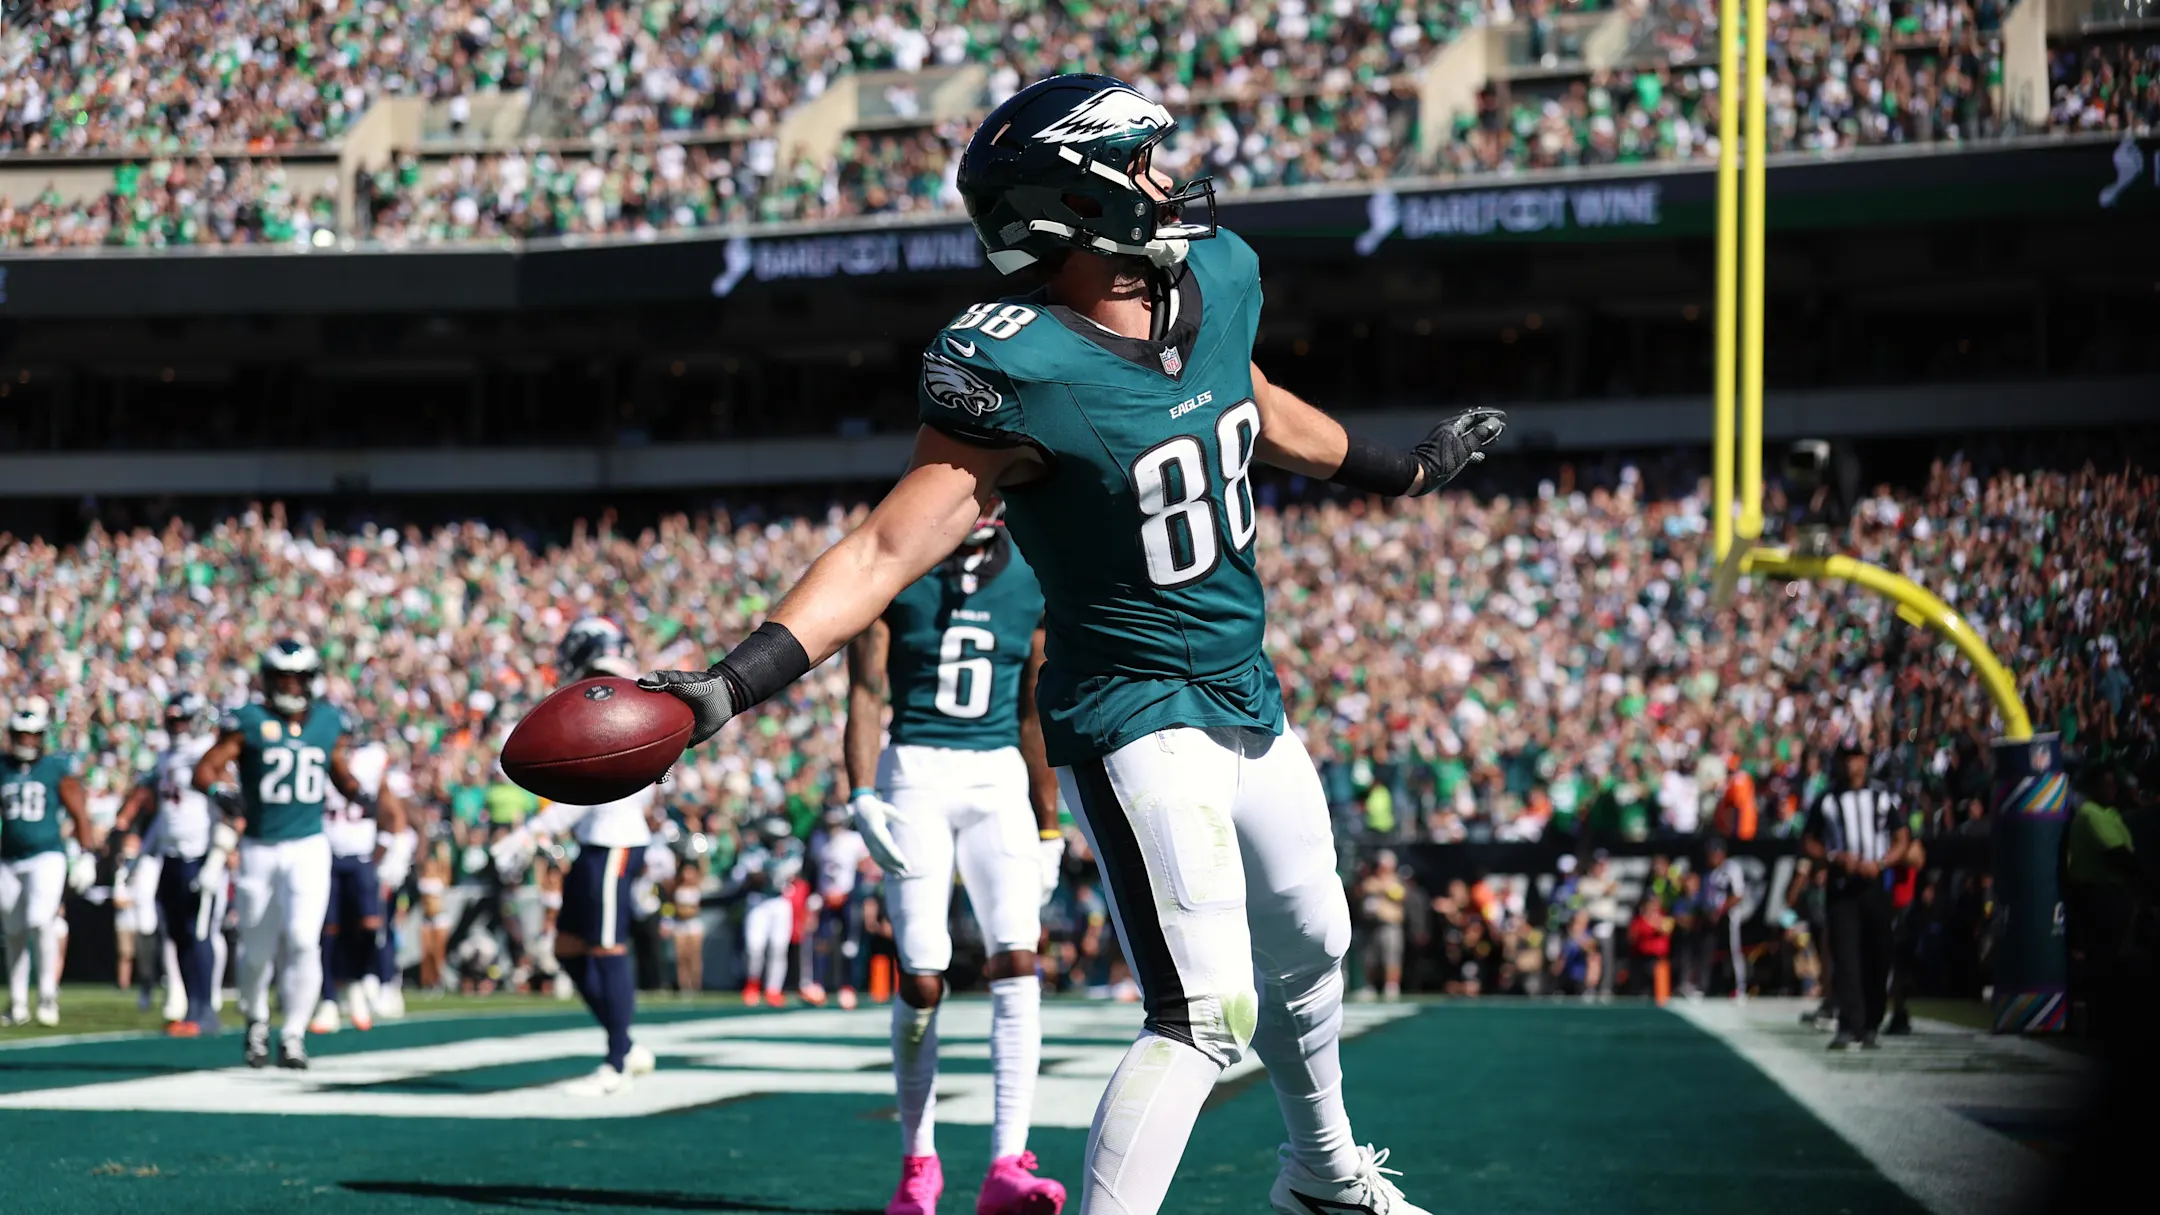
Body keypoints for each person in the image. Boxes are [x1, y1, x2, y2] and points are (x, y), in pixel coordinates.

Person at [640, 73, 1505, 1215]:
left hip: (1246, 687)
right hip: (1134, 714)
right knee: (1204, 1017)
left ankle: (1324, 1176)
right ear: (1078, 204)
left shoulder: (1216, 277)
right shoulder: (1016, 366)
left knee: (1315, 943)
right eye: (1140, 160)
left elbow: (1249, 402)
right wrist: (730, 684)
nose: (1168, 176)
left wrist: (1402, 469)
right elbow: (885, 549)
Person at [842, 501, 1065, 1215]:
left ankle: (1008, 1160)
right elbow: (865, 691)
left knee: (1018, 955)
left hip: (997, 770)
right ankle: (919, 1160)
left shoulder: (1032, 575)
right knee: (924, 974)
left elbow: (1035, 706)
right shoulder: (895, 565)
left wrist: (1050, 823)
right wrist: (861, 793)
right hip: (914, 771)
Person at [489, 616, 661, 1095]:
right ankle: (623, 1042)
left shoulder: (609, 696)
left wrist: (531, 833)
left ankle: (618, 1058)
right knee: (568, 949)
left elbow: (593, 786)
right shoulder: (629, 691)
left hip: (615, 837)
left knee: (606, 946)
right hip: (596, 837)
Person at [192, 638, 378, 1068]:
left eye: (297, 677)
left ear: (311, 680)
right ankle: (257, 1020)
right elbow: (205, 768)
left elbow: (337, 768)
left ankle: (293, 1033)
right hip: (259, 846)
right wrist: (221, 791)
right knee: (256, 949)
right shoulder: (249, 720)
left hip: (309, 846)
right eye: (281, 677)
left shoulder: (329, 721)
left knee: (302, 940)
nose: (289, 685)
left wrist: (356, 793)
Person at [114, 692, 225, 1035]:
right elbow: (164, 816)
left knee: (200, 933)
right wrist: (145, 853)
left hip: (202, 854)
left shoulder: (210, 755)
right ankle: (191, 1006)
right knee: (177, 934)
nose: (177, 727)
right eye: (173, 720)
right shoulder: (166, 758)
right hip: (172, 856)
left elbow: (230, 809)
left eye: (182, 720)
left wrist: (217, 858)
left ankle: (205, 1009)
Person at [1803, 743, 1911, 1050]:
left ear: (1865, 761)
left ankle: (1871, 1023)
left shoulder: (1881, 795)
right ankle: (1849, 1024)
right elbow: (1808, 841)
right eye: (1847, 758)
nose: (1853, 765)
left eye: (1857, 758)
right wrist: (1834, 857)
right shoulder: (1827, 799)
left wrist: (1880, 863)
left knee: (1878, 954)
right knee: (1846, 955)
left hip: (1874, 884)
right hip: (1841, 886)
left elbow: (1902, 837)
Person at [2, 697, 100, 1026]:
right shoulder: (3, 766)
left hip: (46, 854)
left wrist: (86, 853)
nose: (27, 742)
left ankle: (46, 992)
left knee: (40, 920)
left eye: (33, 735)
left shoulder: (55, 767)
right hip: (8, 857)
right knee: (13, 930)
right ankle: (17, 1001)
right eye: (22, 735)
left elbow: (78, 810)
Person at [312, 735, 410, 1034]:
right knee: (328, 930)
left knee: (369, 925)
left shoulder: (369, 765)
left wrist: (385, 846)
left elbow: (391, 810)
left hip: (360, 857)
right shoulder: (318, 764)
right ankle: (328, 997)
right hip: (326, 856)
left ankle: (356, 982)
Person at [732, 815, 803, 1007]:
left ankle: (773, 989)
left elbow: (793, 872)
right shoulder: (754, 852)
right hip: (759, 901)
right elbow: (746, 876)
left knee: (778, 947)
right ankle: (752, 984)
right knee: (754, 947)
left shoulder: (790, 851)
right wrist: (766, 874)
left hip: (780, 902)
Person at [1356, 851, 1408, 1001]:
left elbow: (1398, 894)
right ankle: (1369, 986)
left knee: (1391, 956)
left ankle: (1391, 986)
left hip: (1390, 925)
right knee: (1369, 957)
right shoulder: (1370, 880)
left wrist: (1382, 887)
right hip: (1371, 925)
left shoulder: (1396, 880)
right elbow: (1364, 889)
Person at [1700, 836, 1748, 999]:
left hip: (1729, 917)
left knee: (1734, 951)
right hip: (1713, 919)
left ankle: (1739, 988)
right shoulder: (1710, 873)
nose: (1710, 857)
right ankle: (1709, 986)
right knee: (1710, 953)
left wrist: (1720, 910)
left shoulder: (1732, 868)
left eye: (1713, 854)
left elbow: (1738, 895)